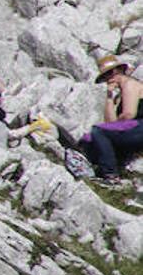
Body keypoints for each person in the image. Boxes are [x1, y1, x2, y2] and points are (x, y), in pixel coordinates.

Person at [60, 55, 142, 183]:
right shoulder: (119, 96)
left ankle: (111, 174)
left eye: (112, 72)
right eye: (106, 76)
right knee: (89, 139)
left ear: (120, 70)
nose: (109, 77)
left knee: (98, 130)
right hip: (134, 131)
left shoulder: (130, 84)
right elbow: (110, 123)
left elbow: (128, 114)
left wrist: (111, 127)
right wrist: (109, 96)